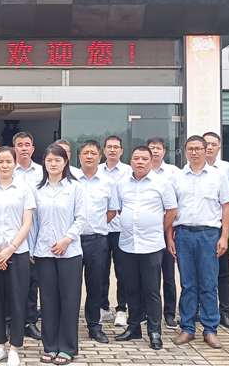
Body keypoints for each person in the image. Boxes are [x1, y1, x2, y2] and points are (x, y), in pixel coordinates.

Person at [168, 135, 229, 349]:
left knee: (208, 283)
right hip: (183, 234)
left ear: (206, 150)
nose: (194, 152)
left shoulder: (218, 175)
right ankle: (187, 328)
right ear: (185, 152)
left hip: (209, 235)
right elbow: (171, 209)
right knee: (188, 284)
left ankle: (210, 329)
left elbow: (226, 206)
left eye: (198, 148)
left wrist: (224, 236)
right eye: (190, 149)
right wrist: (169, 237)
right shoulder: (177, 177)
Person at [115, 146, 178, 350]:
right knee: (131, 288)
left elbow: (172, 210)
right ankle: (134, 327)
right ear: (130, 161)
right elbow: (120, 209)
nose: (140, 162)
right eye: (136, 158)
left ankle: (154, 331)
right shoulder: (122, 184)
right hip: (127, 244)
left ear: (151, 161)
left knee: (151, 290)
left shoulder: (162, 183)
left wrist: (157, 228)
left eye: (144, 158)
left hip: (151, 245)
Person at [0, 147, 36, 366]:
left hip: (17, 253)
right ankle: (0, 346)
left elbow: (26, 224)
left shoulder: (24, 190)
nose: (4, 165)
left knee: (18, 300)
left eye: (8, 161)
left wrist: (10, 249)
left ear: (15, 164)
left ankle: (14, 348)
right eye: (0, 161)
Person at [32, 144, 85, 365]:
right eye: (49, 160)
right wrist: (32, 249)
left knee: (69, 300)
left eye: (57, 160)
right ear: (44, 163)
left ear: (65, 162)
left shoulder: (76, 187)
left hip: (70, 252)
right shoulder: (37, 189)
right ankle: (50, 346)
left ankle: (68, 348)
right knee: (48, 300)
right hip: (43, 253)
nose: (53, 164)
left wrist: (66, 239)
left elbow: (81, 218)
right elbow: (33, 222)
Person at [76, 140, 118, 343]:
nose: (89, 156)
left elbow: (112, 211)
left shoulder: (108, 182)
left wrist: (96, 225)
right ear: (79, 157)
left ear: (100, 158)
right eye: (85, 153)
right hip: (73, 241)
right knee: (71, 286)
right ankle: (68, 325)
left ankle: (94, 326)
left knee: (96, 286)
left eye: (93, 153)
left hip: (97, 241)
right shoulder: (71, 181)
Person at [202, 132, 229, 330]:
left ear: (219, 147)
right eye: (206, 144)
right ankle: (200, 310)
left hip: (218, 228)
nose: (209, 147)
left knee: (222, 271)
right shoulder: (188, 169)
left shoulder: (227, 168)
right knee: (199, 272)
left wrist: (225, 232)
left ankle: (224, 312)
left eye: (213, 144)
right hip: (198, 229)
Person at [12, 132, 43, 340]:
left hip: (35, 234)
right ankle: (11, 322)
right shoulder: (6, 170)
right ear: (14, 148)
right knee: (12, 284)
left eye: (27, 145)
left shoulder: (42, 172)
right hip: (11, 236)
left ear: (33, 149)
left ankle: (30, 322)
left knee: (32, 284)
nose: (23, 148)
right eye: (19, 144)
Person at [147, 137, 180, 329]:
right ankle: (147, 312)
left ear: (164, 151)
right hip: (145, 233)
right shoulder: (140, 172)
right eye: (151, 148)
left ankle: (169, 314)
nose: (155, 151)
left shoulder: (173, 173)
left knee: (168, 275)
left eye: (158, 148)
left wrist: (167, 232)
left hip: (166, 230)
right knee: (147, 276)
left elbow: (174, 206)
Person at [98, 136, 131, 326]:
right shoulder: (96, 171)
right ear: (104, 151)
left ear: (121, 151)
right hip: (101, 229)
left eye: (116, 147)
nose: (112, 150)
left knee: (122, 271)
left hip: (121, 229)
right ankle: (103, 308)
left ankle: (121, 310)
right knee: (100, 271)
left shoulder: (129, 171)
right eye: (109, 147)